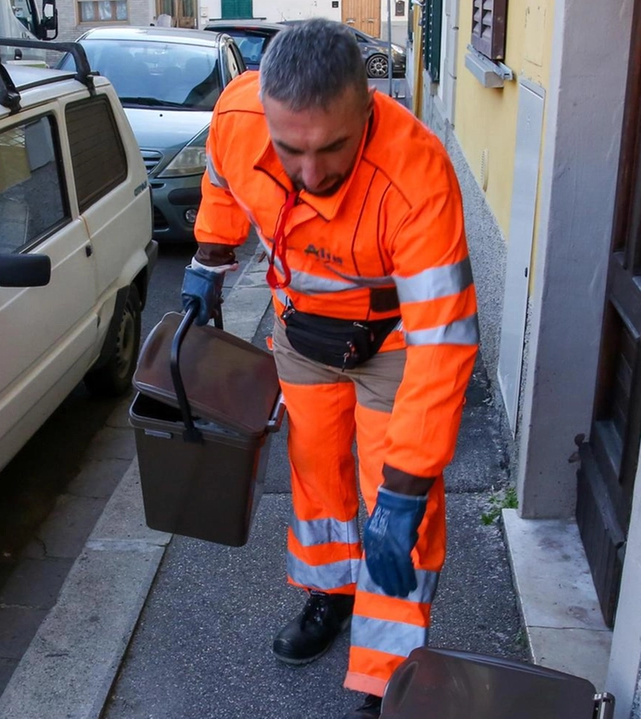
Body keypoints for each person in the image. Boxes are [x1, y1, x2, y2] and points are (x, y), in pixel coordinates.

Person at [179, 19, 477, 719]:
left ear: (368, 105)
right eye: (290, 151)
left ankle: (385, 675)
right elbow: (222, 182)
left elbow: (443, 343)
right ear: (267, 119)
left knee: (396, 509)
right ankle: (330, 593)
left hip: (390, 345)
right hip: (300, 335)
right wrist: (208, 260)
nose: (311, 174)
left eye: (333, 148)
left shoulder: (418, 177)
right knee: (316, 472)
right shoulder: (238, 115)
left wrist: (408, 486)